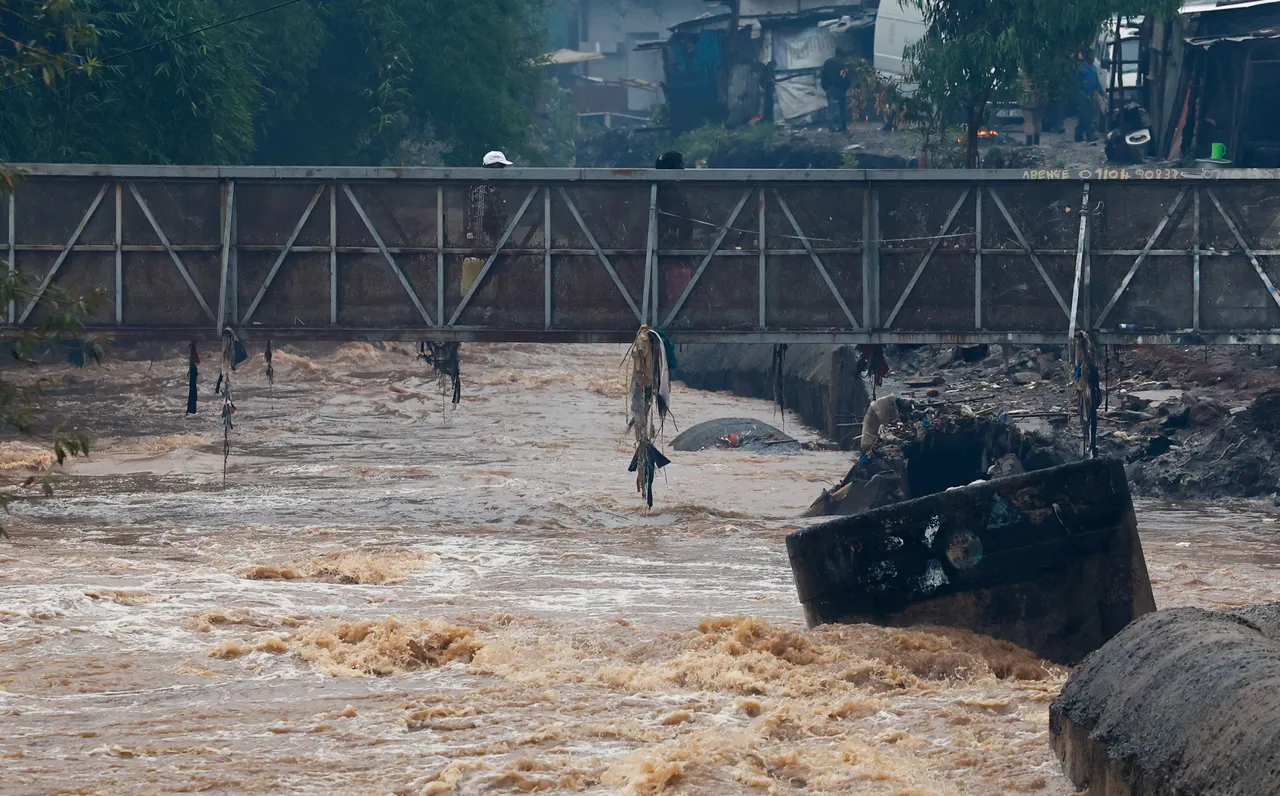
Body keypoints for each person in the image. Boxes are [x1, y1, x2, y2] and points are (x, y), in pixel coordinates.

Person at [463, 151, 512, 298]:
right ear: (493, 167)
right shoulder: (483, 189)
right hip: (486, 246)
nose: (503, 170)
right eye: (500, 167)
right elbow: (479, 220)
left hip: (490, 244)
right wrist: (486, 246)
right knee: (485, 283)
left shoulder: (489, 188)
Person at [820, 51, 852, 133]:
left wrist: (824, 87)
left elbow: (822, 75)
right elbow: (846, 77)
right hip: (840, 88)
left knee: (830, 108)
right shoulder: (842, 64)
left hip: (830, 88)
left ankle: (831, 128)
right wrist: (846, 87)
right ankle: (843, 127)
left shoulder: (827, 62)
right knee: (842, 108)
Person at [1076, 54, 1103, 143]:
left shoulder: (1094, 68)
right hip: (1083, 95)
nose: (1091, 65)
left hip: (1091, 94)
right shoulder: (1081, 70)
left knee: (1090, 115)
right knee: (1084, 116)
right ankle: (1079, 135)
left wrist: (1101, 91)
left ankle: (1088, 135)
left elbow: (1096, 81)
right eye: (1089, 63)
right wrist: (1084, 95)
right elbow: (1078, 86)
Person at [1019, 71, 1045, 146]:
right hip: (1040, 98)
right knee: (1038, 121)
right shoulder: (1042, 69)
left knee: (1028, 121)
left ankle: (1029, 142)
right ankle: (1036, 142)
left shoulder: (1022, 72)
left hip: (1026, 100)